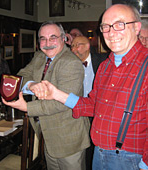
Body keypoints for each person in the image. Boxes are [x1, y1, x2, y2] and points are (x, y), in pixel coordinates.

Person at [27, 4, 148, 170]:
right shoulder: (106, 66)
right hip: (99, 154)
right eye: (105, 27)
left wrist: (145, 165)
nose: (111, 33)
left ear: (136, 27)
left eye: (119, 24)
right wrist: (56, 94)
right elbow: (93, 105)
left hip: (131, 159)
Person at [2, 21, 90, 170]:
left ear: (63, 38)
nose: (47, 43)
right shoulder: (39, 57)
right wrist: (31, 85)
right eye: (43, 38)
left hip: (68, 138)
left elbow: (62, 102)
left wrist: (27, 107)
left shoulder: (71, 62)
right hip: (47, 135)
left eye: (53, 37)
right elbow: (21, 75)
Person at [71, 35, 107, 170]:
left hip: (98, 111)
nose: (73, 49)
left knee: (95, 147)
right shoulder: (70, 64)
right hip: (80, 111)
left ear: (87, 47)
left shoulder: (103, 61)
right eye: (72, 46)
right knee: (82, 147)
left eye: (77, 45)